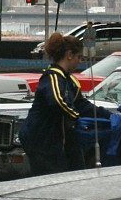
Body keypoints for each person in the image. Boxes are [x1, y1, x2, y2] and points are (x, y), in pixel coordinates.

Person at [19, 32, 99, 175]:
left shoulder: (69, 80)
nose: (80, 61)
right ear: (69, 55)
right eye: (79, 57)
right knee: (49, 179)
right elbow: (58, 101)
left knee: (76, 171)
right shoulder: (53, 77)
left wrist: (107, 116)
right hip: (41, 141)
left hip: (59, 141)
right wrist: (77, 118)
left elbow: (82, 104)